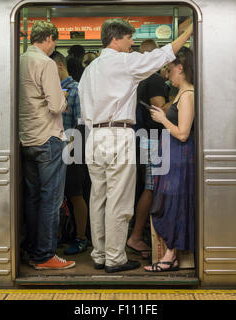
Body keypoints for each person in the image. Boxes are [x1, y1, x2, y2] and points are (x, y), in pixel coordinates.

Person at [78, 18, 193, 273]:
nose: (133, 44)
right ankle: (115, 258)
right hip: (118, 135)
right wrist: (189, 31)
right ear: (116, 38)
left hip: (92, 137)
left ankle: (99, 254)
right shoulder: (124, 62)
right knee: (119, 200)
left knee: (98, 199)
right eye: (130, 39)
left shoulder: (90, 69)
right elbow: (165, 55)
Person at [19, 21, 75, 270]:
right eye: (55, 42)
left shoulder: (21, 60)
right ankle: (45, 256)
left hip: (27, 137)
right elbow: (55, 106)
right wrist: (62, 97)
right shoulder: (46, 63)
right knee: (51, 199)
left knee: (32, 198)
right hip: (48, 138)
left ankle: (32, 248)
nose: (55, 47)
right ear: (50, 38)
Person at [144, 47, 195, 272]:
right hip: (174, 158)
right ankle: (171, 254)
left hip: (179, 160)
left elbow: (183, 133)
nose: (167, 73)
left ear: (180, 68)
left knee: (175, 205)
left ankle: (170, 255)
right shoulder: (182, 94)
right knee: (173, 204)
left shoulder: (188, 95)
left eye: (169, 68)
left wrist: (163, 119)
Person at [127, 39, 167, 260]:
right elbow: (160, 109)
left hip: (140, 137)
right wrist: (182, 100)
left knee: (145, 186)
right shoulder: (154, 79)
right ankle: (136, 236)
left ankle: (138, 232)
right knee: (151, 188)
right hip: (154, 138)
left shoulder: (138, 79)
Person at [50, 50, 89, 255]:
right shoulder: (51, 90)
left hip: (72, 148)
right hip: (55, 149)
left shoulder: (76, 90)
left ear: (59, 66)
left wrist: (71, 151)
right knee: (59, 195)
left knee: (75, 194)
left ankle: (81, 237)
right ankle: (63, 233)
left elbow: (80, 122)